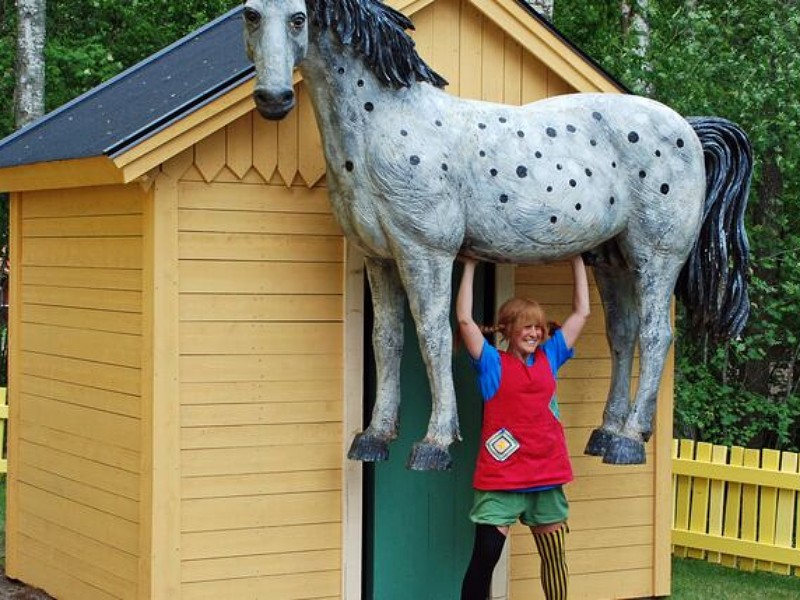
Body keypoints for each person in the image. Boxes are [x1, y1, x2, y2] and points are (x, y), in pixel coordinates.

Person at [457, 256, 590, 600]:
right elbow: (464, 320)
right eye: (527, 327)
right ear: (509, 330)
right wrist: (470, 265)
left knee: (555, 559)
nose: (534, 333)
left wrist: (577, 259)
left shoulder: (551, 357)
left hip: (546, 473)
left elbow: (582, 314)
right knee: (484, 558)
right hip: (502, 477)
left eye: (538, 327)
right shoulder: (491, 364)